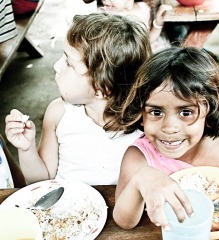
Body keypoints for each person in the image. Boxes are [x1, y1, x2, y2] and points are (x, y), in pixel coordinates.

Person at [4, 13, 152, 185]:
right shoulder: (58, 114)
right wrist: (26, 149)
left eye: (69, 63)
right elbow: (41, 180)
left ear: (102, 87)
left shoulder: (145, 125)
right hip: (67, 208)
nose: (56, 66)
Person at [112, 46, 219, 230]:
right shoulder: (139, 159)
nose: (169, 128)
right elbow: (124, 221)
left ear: (210, 109)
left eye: (186, 112)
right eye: (156, 112)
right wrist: (141, 178)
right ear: (141, 113)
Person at [83, 0, 174, 53]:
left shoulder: (143, 8)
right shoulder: (108, 14)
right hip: (128, 59)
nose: (105, 1)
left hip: (150, 54)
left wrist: (158, 23)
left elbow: (148, 40)